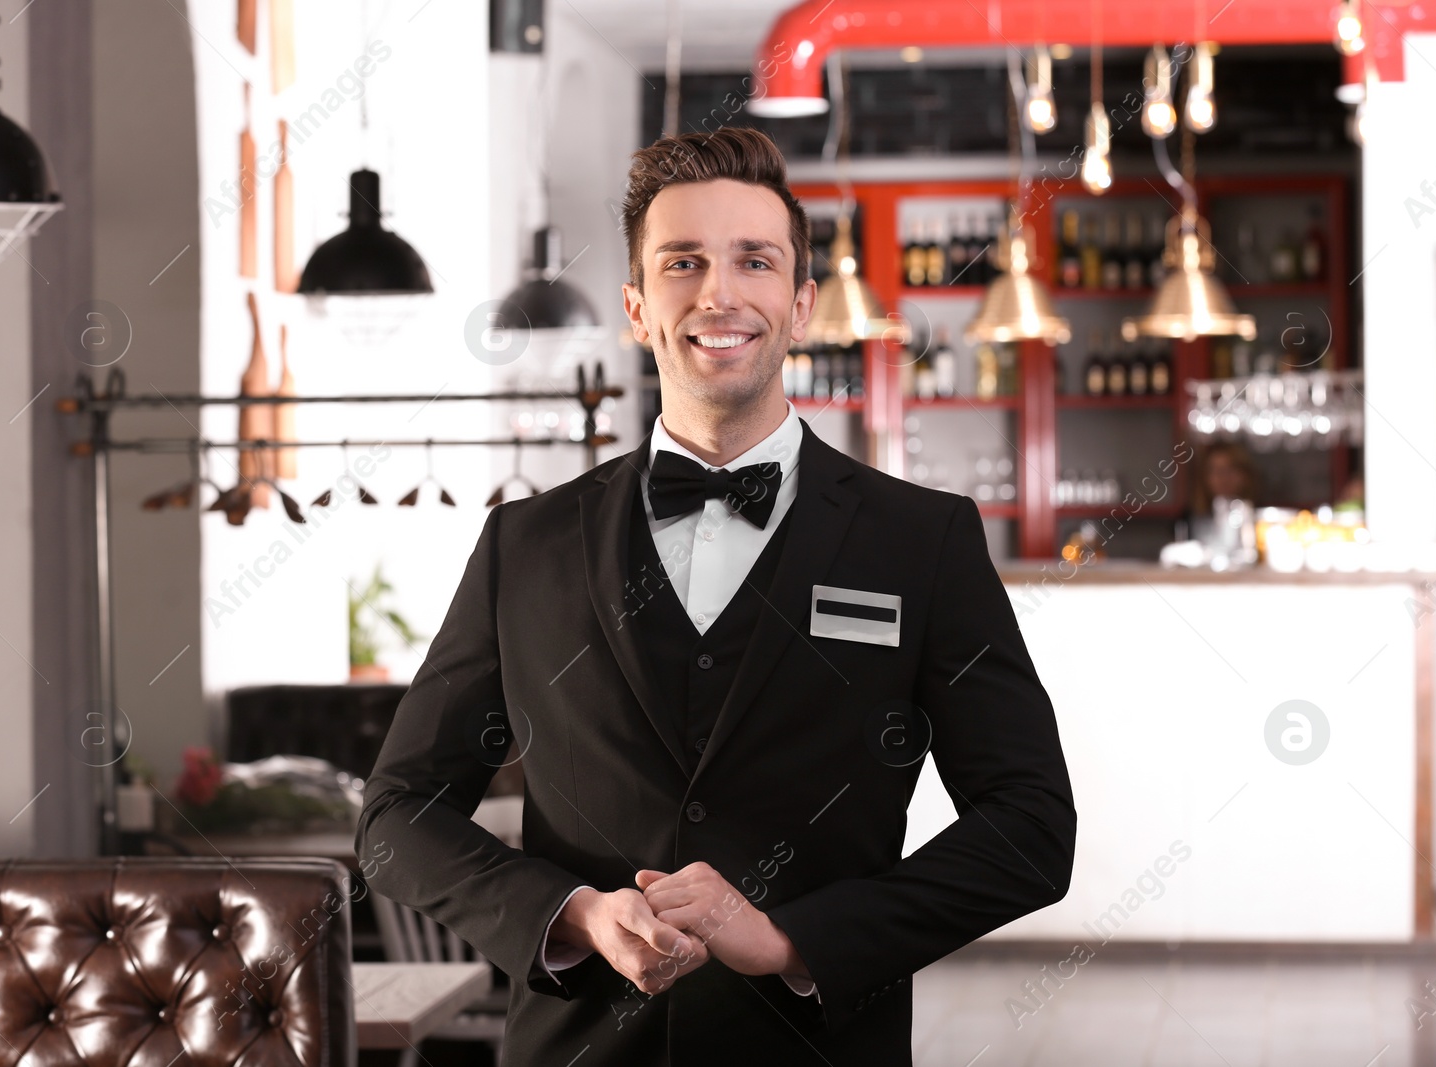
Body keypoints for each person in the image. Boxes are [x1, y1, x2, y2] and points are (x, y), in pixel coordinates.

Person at [355, 127, 1077, 1066]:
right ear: (637, 306)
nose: (719, 293)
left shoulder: (923, 541)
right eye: (682, 262)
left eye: (755, 261)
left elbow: (1030, 827)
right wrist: (568, 914)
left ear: (802, 302)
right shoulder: (522, 546)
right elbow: (397, 813)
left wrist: (792, 940)